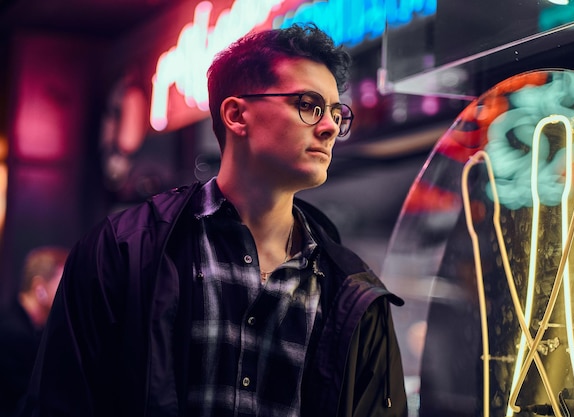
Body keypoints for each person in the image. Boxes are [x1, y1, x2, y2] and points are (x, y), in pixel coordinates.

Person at [22, 23, 408, 417]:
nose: (328, 127)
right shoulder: (124, 251)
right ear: (236, 115)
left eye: (334, 111)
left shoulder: (351, 288)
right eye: (308, 105)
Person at [0, 246, 69, 417]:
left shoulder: (32, 328)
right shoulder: (12, 333)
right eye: (63, 284)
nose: (68, 293)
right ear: (40, 288)